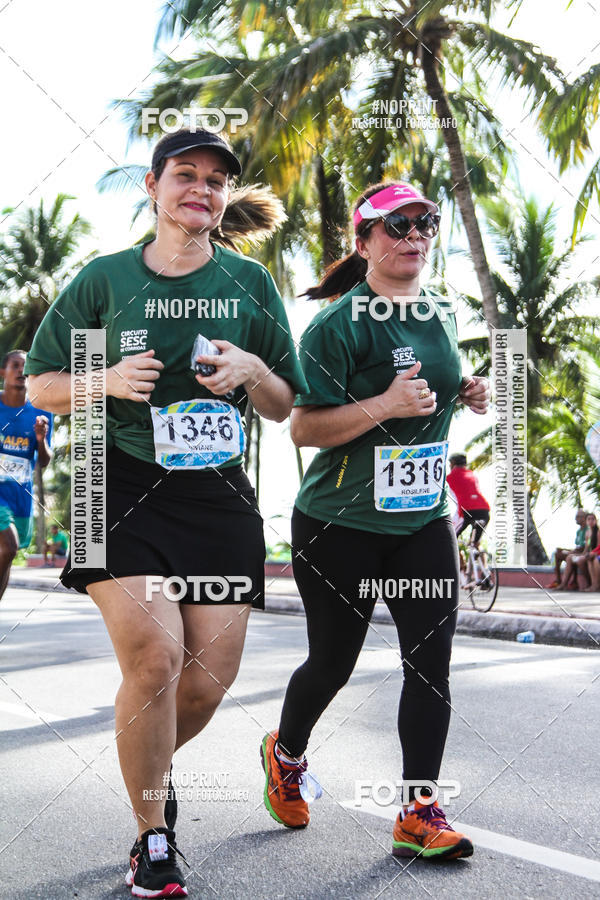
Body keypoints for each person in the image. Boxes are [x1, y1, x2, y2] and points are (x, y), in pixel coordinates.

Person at [25, 128, 306, 899]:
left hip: (215, 493)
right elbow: (42, 383)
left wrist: (253, 370)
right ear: (153, 187)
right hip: (112, 483)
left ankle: (149, 769)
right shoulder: (105, 280)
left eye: (217, 181)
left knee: (207, 682)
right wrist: (105, 378)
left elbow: (286, 406)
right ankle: (152, 835)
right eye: (186, 175)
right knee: (156, 663)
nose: (202, 190)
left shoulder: (250, 285)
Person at [260, 181, 490, 860]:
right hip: (340, 525)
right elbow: (303, 428)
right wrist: (386, 404)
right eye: (397, 226)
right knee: (333, 662)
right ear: (363, 244)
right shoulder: (337, 325)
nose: (415, 235)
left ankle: (420, 812)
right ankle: (286, 754)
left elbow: (437, 385)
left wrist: (465, 389)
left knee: (431, 665)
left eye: (425, 223)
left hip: (421, 521)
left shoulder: (440, 309)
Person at [0, 349, 52, 601]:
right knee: (8, 547)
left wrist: (41, 439)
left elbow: (43, 461)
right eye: (15, 365)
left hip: (20, 496)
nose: (21, 371)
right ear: (3, 371)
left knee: (7, 556)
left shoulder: (40, 412)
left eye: (25, 366)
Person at [559, 513, 599, 591]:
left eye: (592, 519)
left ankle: (590, 583)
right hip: (589, 554)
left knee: (581, 560)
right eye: (589, 519)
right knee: (570, 557)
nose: (591, 521)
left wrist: (591, 553)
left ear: (596, 520)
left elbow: (598, 547)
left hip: (595, 554)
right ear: (586, 521)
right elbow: (587, 548)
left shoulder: (597, 531)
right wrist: (580, 554)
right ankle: (563, 584)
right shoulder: (588, 533)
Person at [549, 508, 587, 589]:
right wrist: (564, 550)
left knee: (569, 557)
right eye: (576, 516)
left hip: (583, 553)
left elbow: (583, 548)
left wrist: (570, 552)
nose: (576, 518)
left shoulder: (587, 530)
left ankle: (571, 582)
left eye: (578, 516)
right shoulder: (578, 531)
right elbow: (577, 546)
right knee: (557, 554)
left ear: (584, 518)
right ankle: (558, 580)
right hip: (577, 552)